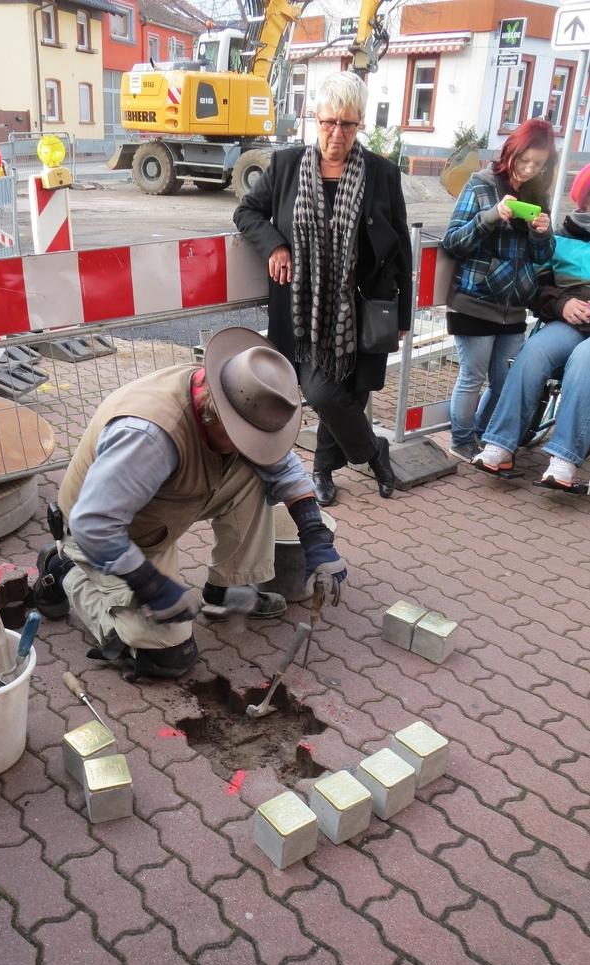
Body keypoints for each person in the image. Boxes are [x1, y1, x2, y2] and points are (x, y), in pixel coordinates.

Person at [33, 326, 348, 682]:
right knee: (167, 659)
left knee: (258, 474)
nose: (254, 445)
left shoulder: (235, 391)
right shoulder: (148, 437)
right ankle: (63, 571)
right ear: (218, 414)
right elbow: (95, 525)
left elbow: (281, 465)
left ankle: (225, 590)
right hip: (109, 535)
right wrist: (152, 586)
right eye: (247, 438)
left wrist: (315, 535)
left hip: (164, 503)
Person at [233, 71, 412, 507]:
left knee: (351, 394)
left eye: (348, 124)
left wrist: (404, 315)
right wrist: (275, 245)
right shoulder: (286, 165)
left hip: (364, 308)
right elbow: (247, 212)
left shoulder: (383, 174)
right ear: (315, 119)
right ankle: (373, 452)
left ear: (360, 125)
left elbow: (402, 247)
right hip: (304, 312)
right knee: (319, 390)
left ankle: (322, 471)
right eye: (330, 122)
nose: (337, 133)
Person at [442, 118, 556, 462]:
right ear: (511, 152)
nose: (529, 169)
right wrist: (491, 216)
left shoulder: (538, 195)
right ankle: (461, 441)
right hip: (474, 301)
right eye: (524, 160)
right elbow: (453, 241)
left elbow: (542, 257)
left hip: (514, 308)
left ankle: (482, 434)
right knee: (472, 377)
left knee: (505, 381)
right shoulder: (480, 184)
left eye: (538, 164)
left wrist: (542, 232)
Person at [473, 162, 590, 488]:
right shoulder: (561, 237)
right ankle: (500, 445)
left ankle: (564, 460)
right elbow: (536, 287)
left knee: (584, 361)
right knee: (535, 351)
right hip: (566, 321)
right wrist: (562, 303)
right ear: (583, 197)